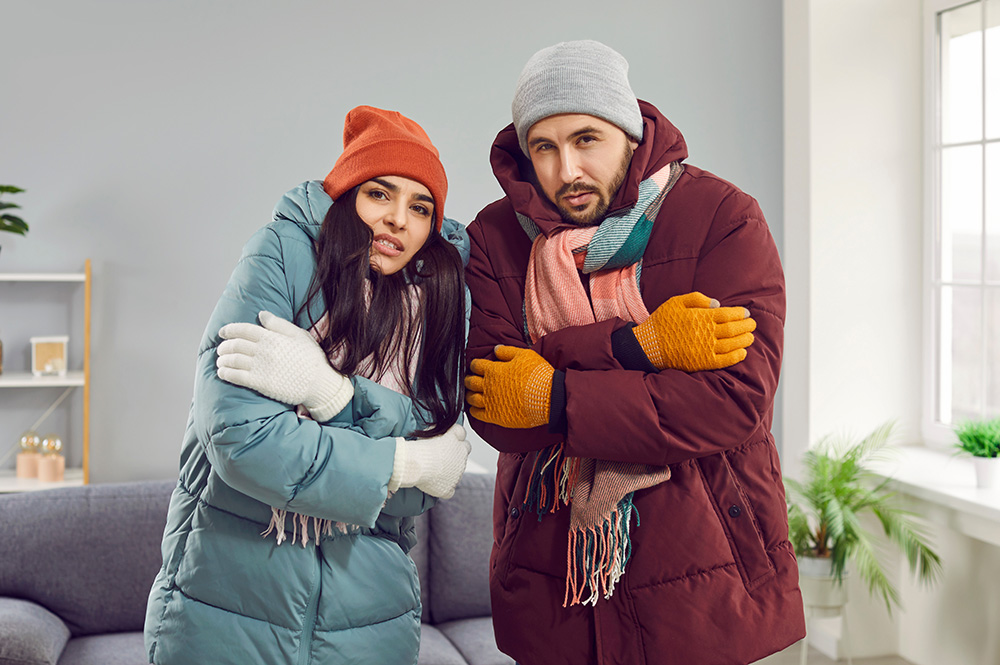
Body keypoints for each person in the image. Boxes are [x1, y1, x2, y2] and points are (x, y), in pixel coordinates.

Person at [463, 40, 805, 665]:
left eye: (587, 139)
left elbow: (735, 405)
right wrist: (644, 346)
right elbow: (495, 408)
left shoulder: (721, 216)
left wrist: (557, 392)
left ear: (630, 131)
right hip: (552, 580)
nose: (566, 170)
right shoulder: (494, 238)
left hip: (712, 583)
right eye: (544, 146)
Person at [144, 105, 473, 665]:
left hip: (371, 619)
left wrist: (335, 396)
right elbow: (243, 440)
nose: (399, 219)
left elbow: (429, 485)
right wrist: (399, 463)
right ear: (346, 198)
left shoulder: (439, 299)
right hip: (224, 605)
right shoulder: (282, 253)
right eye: (379, 194)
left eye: (421, 208)